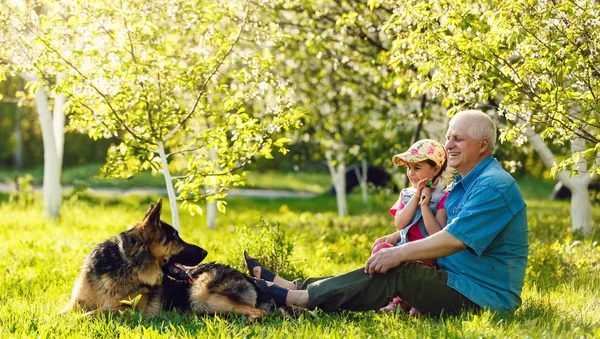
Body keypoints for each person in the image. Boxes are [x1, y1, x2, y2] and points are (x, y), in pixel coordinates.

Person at [246, 110, 529, 316]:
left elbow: (454, 239)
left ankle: (299, 298)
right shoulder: (462, 185)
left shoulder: (493, 186)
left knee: (399, 270)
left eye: (459, 139)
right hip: (456, 281)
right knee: (392, 262)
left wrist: (399, 253)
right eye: (448, 137)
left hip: (482, 296)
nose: (449, 145)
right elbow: (444, 229)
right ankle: (296, 288)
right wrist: (397, 237)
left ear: (482, 146)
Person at [371, 139, 450, 314]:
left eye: (417, 168)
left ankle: (408, 302)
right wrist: (415, 199)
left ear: (436, 169)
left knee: (413, 266)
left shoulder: (443, 198)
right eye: (409, 168)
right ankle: (388, 297)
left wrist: (425, 205)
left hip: (425, 254)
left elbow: (437, 233)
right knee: (381, 248)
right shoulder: (406, 195)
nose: (411, 173)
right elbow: (400, 223)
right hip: (402, 248)